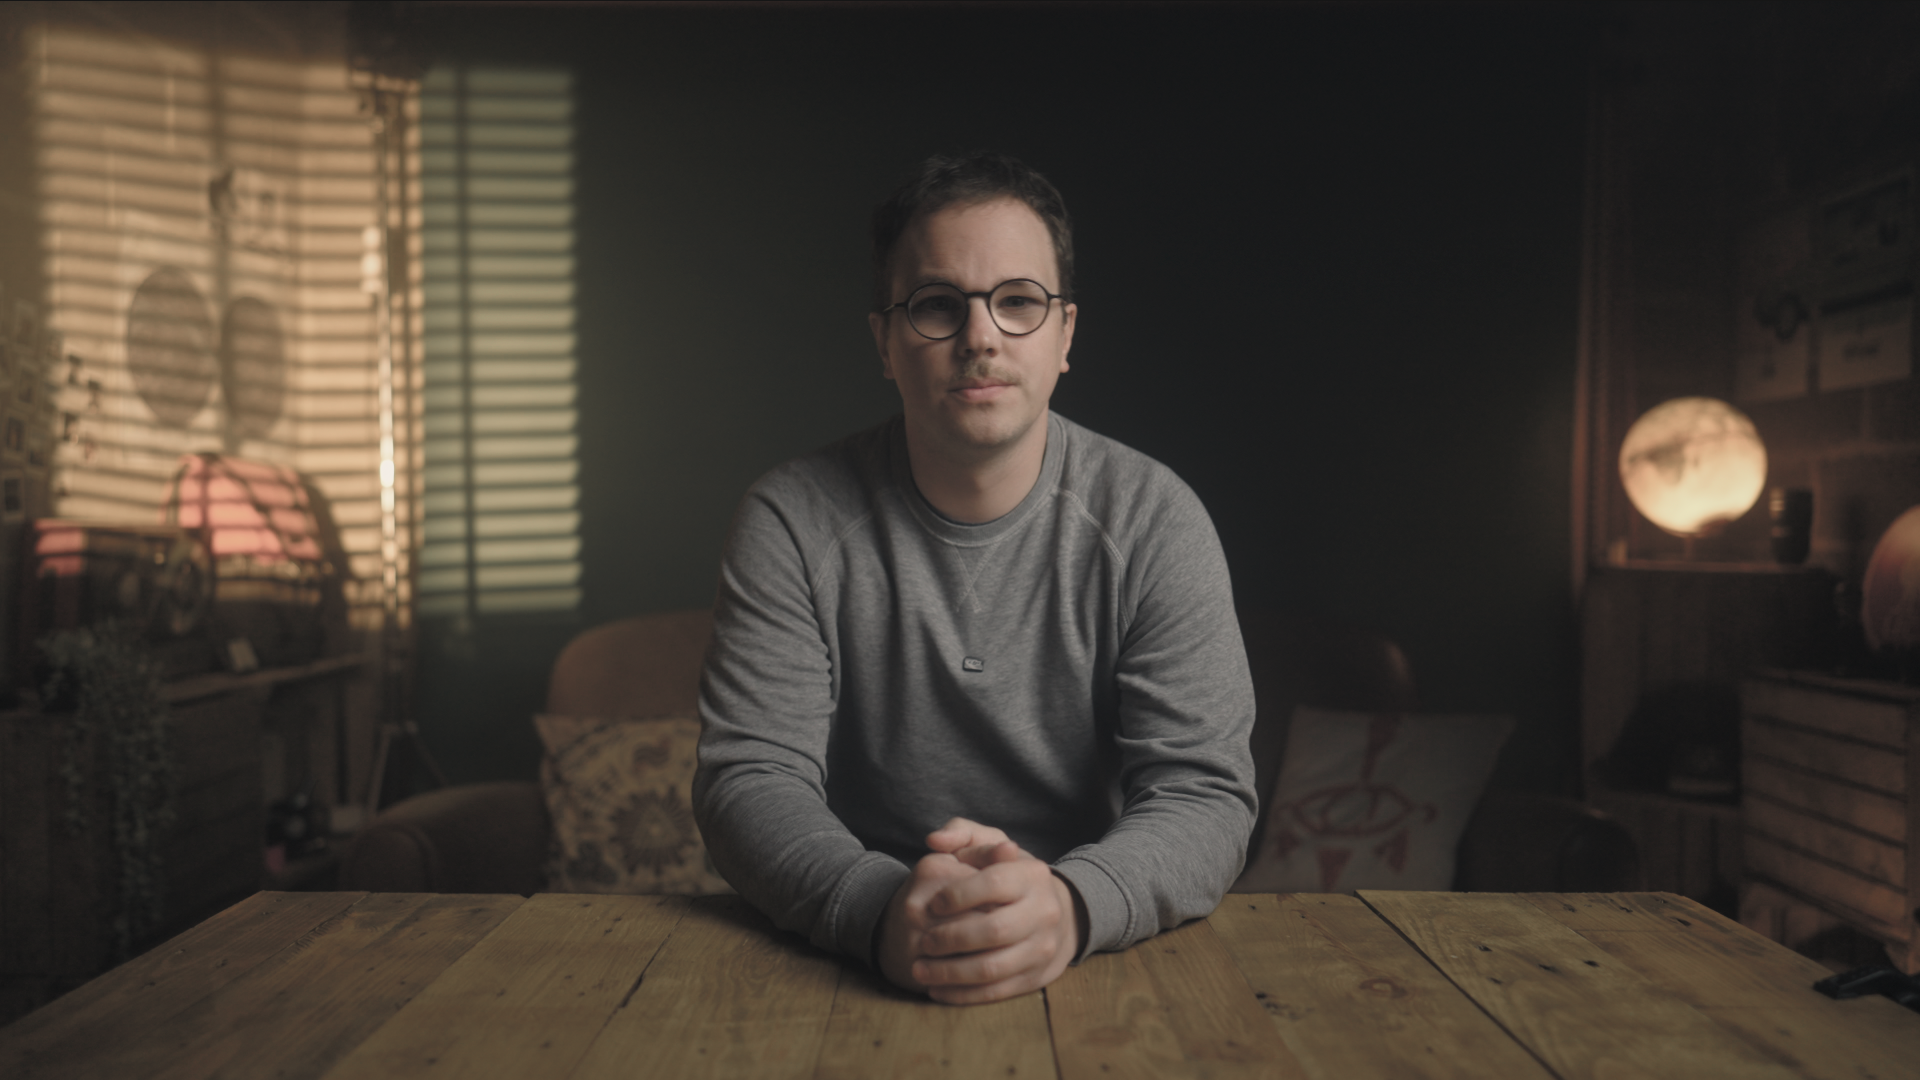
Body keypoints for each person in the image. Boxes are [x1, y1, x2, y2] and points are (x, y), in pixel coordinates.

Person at [693, 152, 1256, 1005]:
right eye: (937, 305)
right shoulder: (792, 519)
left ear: (1066, 335)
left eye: (1018, 301)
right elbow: (749, 780)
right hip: (849, 955)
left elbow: (1205, 793)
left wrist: (1069, 907)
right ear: (885, 342)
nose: (981, 336)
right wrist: (879, 909)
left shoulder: (1155, 520)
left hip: (1094, 952)